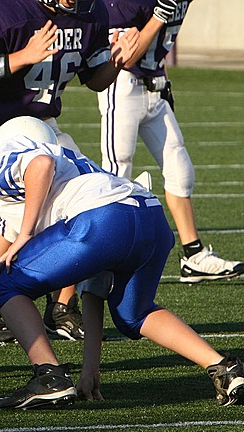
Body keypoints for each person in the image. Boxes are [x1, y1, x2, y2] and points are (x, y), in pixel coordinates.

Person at [0, 116, 244, 408]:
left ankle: (49, 376)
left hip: (103, 220)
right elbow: (94, 289)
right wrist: (90, 368)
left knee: (3, 286)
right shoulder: (78, 167)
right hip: (150, 218)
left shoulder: (7, 155)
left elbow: (40, 164)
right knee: (134, 314)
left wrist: (26, 233)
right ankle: (224, 368)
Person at [0, 0, 141, 343]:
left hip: (43, 123)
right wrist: (22, 56)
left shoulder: (90, 9)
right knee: (18, 215)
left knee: (80, 202)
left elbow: (94, 80)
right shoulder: (0, 8)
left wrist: (118, 60)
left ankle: (61, 308)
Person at [98, 0, 243, 283]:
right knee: (117, 170)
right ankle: (103, 255)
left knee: (180, 169)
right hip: (122, 86)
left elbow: (159, 46)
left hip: (155, 88)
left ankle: (194, 255)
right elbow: (122, 57)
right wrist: (158, 16)